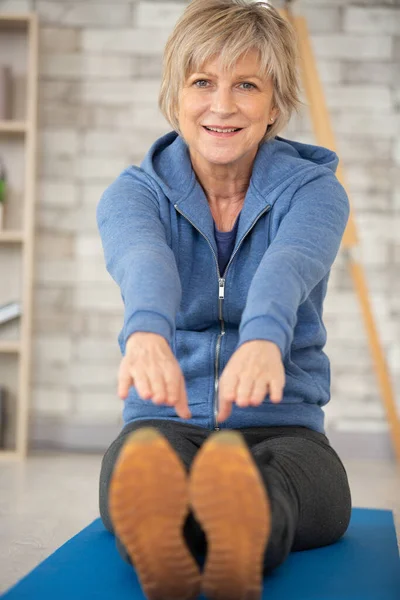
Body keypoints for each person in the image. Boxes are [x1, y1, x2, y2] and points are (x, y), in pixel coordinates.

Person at [96, 1, 352, 599]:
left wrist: (265, 337)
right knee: (133, 471)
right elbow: (143, 261)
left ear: (275, 106)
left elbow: (289, 265)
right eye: (203, 82)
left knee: (316, 492)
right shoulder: (133, 194)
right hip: (167, 419)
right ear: (175, 96)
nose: (222, 104)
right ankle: (171, 534)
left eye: (246, 85)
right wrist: (148, 332)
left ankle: (238, 534)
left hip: (282, 427)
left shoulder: (314, 192)